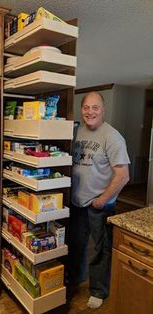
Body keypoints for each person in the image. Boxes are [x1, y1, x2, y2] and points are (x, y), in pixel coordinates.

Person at [68, 91, 130, 308]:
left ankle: (98, 290)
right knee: (76, 244)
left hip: (99, 204)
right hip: (76, 202)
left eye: (95, 108)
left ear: (103, 110)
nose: (90, 112)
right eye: (86, 107)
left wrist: (103, 199)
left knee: (100, 250)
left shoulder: (112, 136)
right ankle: (75, 279)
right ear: (81, 109)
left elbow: (123, 175)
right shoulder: (76, 132)